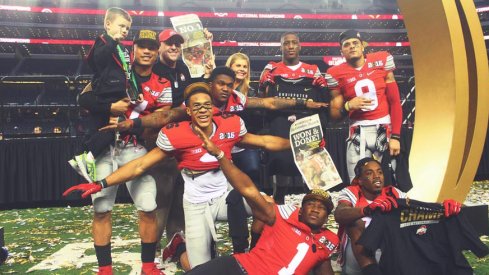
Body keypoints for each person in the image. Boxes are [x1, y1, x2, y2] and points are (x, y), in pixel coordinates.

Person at [63, 82, 292, 269]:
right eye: (197, 106)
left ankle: (252, 255)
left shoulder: (230, 124)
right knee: (200, 269)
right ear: (189, 111)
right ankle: (177, 247)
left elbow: (264, 141)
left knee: (268, 207)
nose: (203, 110)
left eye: (207, 105)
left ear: (213, 108)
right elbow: (141, 165)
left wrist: (297, 143)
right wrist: (102, 183)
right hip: (196, 202)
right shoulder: (177, 135)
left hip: (225, 195)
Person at [64, 29, 165, 275]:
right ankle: (105, 270)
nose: (147, 51)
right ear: (134, 49)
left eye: (152, 48)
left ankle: (148, 267)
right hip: (104, 148)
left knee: (149, 206)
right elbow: (83, 99)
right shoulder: (113, 71)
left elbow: (164, 116)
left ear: (156, 52)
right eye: (142, 46)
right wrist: (110, 106)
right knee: (101, 209)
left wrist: (141, 122)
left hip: (134, 147)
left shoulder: (161, 83)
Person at [185, 126, 339, 275]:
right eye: (310, 204)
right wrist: (220, 155)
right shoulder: (281, 217)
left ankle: (178, 247)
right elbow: (247, 189)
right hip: (237, 266)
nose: (315, 209)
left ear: (327, 216)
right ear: (301, 209)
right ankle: (179, 247)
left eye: (322, 207)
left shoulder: (328, 241)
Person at [334, 157, 462, 275]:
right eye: (369, 173)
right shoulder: (351, 192)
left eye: (380, 172)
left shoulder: (393, 192)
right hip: (358, 258)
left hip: (390, 253)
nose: (377, 176)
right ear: (360, 180)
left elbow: (416, 212)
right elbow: (340, 214)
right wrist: (367, 209)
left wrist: (442, 208)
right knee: (355, 223)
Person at [69, 7, 142, 182]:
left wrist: (136, 91)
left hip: (117, 94)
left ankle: (83, 158)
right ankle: (84, 157)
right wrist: (111, 41)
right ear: (108, 24)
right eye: (121, 26)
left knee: (108, 132)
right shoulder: (102, 41)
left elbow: (128, 72)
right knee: (103, 131)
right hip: (104, 94)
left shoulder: (123, 49)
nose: (124, 31)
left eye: (127, 28)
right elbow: (97, 61)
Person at [259, 32, 329, 204]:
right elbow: (264, 99)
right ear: (281, 46)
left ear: (300, 46)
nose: (290, 46)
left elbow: (324, 98)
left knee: (311, 165)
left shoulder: (312, 70)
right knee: (281, 165)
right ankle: (279, 203)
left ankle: (313, 204)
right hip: (280, 122)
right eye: (286, 43)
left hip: (307, 122)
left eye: (294, 43)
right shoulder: (272, 68)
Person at [326, 29, 403, 183]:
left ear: (363, 46)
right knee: (357, 180)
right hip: (357, 129)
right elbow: (333, 115)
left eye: (355, 43)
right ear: (342, 51)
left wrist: (395, 136)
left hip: (384, 125)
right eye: (347, 45)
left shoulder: (381, 61)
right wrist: (348, 105)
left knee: (389, 179)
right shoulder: (335, 73)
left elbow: (395, 102)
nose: (352, 46)